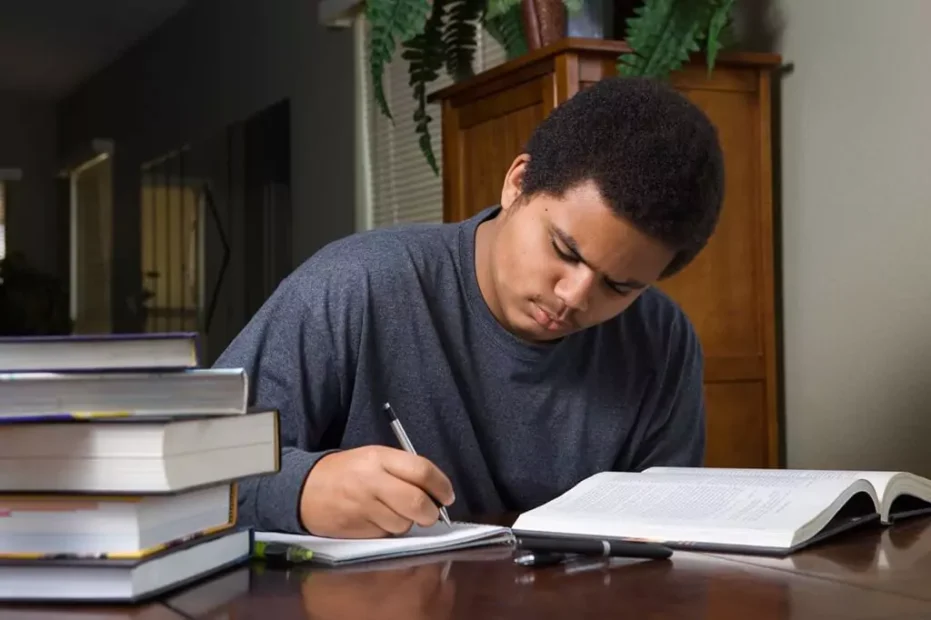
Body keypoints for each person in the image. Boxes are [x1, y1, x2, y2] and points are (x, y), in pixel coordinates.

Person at [213, 76, 725, 538]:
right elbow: (184, 472)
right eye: (564, 250)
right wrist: (300, 491)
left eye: (619, 286)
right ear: (517, 183)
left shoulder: (661, 341)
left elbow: (663, 540)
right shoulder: (357, 284)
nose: (574, 296)